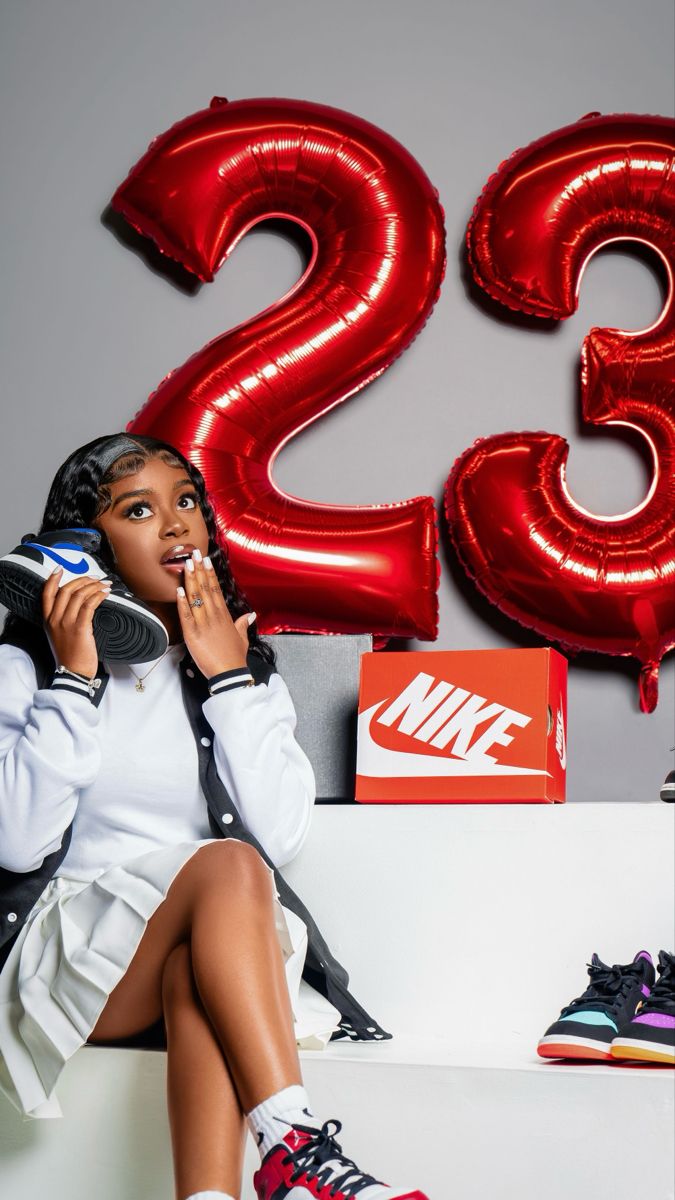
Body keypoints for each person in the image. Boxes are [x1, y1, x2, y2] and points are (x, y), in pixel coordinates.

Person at [0, 433, 426, 1200]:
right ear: (87, 546)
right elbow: (15, 840)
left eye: (187, 503)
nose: (175, 527)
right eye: (139, 509)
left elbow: (284, 835)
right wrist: (71, 676)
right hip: (71, 956)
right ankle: (294, 1145)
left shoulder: (239, 663)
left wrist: (228, 678)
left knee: (195, 970)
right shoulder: (26, 666)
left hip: (206, 945)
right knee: (227, 862)